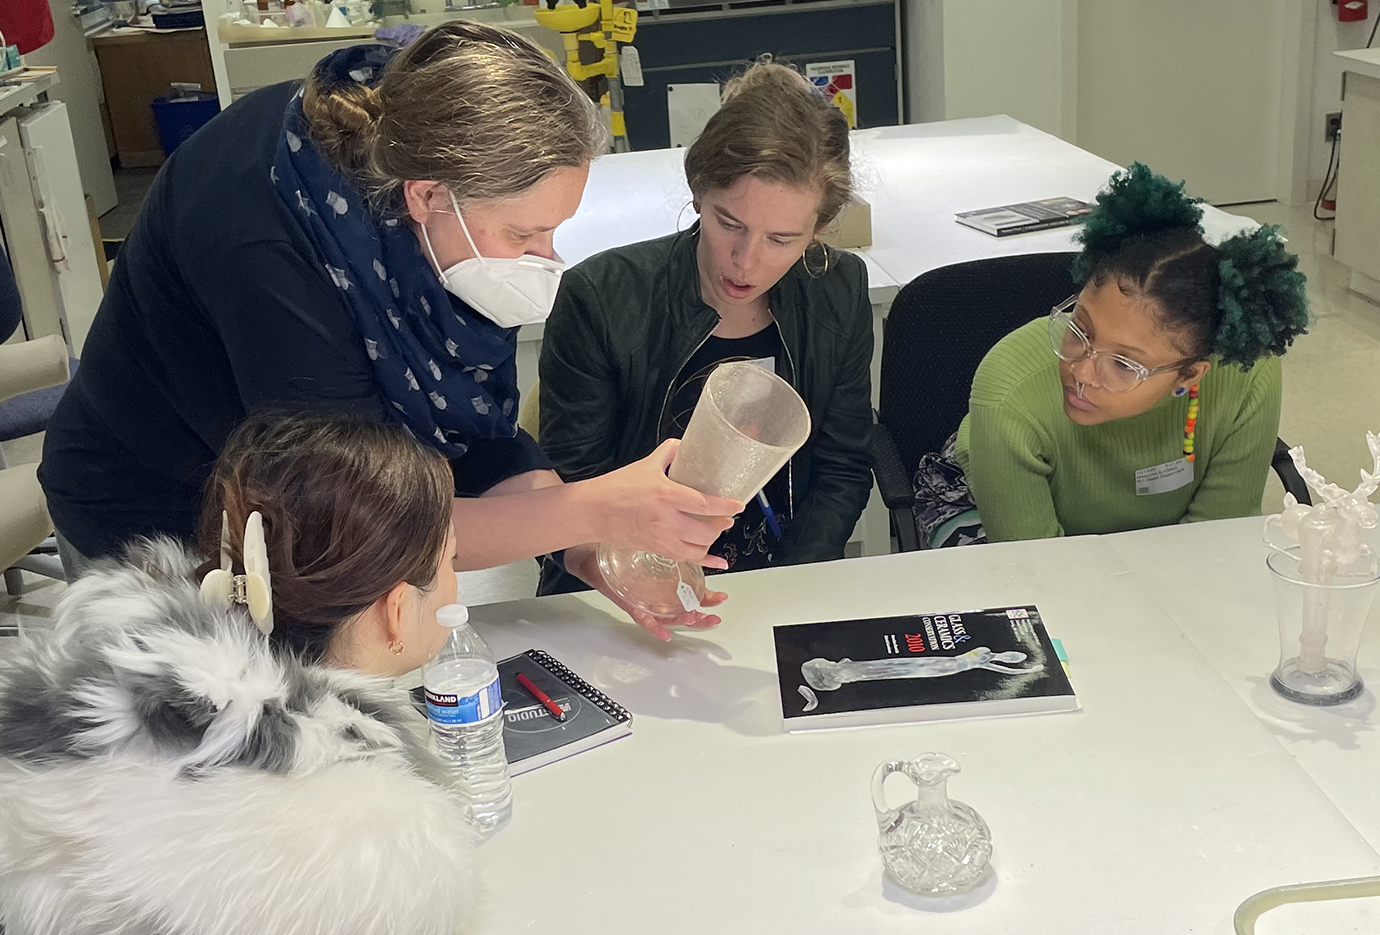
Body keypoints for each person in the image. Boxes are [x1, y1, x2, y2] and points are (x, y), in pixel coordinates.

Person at [39, 21, 739, 578]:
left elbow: (472, 435)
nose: (546, 258)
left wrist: (585, 547)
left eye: (554, 230)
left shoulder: (415, 164)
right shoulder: (269, 247)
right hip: (155, 514)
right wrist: (592, 512)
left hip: (289, 512)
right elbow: (363, 519)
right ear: (429, 196)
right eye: (525, 232)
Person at [0, 410, 481, 935]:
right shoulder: (311, 835)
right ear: (397, 611)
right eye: (453, 561)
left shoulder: (165, 696)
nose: (460, 579)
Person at [536, 60, 873, 635]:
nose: (746, 262)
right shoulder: (603, 297)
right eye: (729, 223)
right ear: (698, 192)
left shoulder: (837, 289)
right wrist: (631, 575)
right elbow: (566, 491)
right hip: (624, 592)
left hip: (779, 581)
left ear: (820, 229)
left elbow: (841, 466)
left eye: (781, 239)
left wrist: (783, 587)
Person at [943, 163, 1308, 543]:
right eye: (1079, 329)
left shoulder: (1249, 375)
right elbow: (1034, 567)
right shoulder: (1010, 389)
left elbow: (1214, 539)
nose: (1081, 373)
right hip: (994, 512)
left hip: (1158, 552)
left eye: (1123, 364)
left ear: (1190, 375)